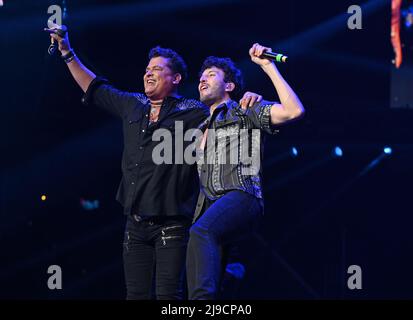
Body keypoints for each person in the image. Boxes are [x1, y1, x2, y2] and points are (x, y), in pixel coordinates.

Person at [45, 25, 261, 300]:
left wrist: (251, 98)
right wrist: (67, 52)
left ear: (175, 78)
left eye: (157, 69)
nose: (148, 72)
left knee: (168, 297)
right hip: (134, 224)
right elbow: (95, 87)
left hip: (173, 224)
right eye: (147, 68)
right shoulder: (133, 105)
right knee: (135, 296)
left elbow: (224, 107)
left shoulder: (193, 111)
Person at [186, 43, 305, 300]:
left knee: (200, 232)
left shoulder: (244, 108)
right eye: (201, 77)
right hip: (214, 206)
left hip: (243, 196)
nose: (202, 80)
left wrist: (267, 66)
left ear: (229, 86)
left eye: (211, 75)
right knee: (206, 262)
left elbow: (294, 111)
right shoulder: (201, 127)